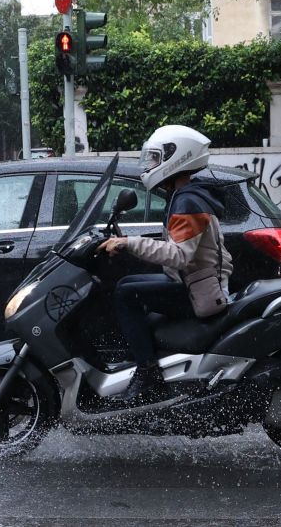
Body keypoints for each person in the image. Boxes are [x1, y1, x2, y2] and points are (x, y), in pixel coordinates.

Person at [97, 125, 233, 402]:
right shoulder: (187, 196)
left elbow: (179, 255)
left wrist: (129, 243)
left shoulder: (189, 202)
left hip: (199, 292)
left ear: (177, 157)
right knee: (128, 285)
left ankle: (148, 376)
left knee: (126, 293)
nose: (150, 166)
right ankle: (146, 360)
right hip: (191, 281)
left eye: (156, 159)